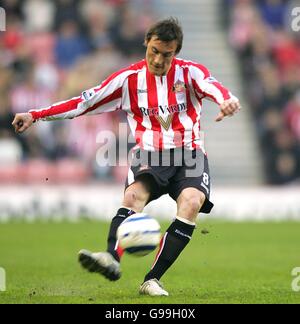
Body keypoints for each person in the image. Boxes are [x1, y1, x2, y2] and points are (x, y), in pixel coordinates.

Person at [12, 18, 241, 296]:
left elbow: (214, 87)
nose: (158, 59)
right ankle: (111, 257)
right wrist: (35, 115)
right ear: (146, 43)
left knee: (192, 202)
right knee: (133, 198)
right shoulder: (128, 80)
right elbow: (83, 103)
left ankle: (152, 279)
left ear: (176, 52)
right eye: (154, 50)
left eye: (166, 54)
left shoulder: (190, 73)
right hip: (150, 154)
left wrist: (227, 100)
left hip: (189, 153)